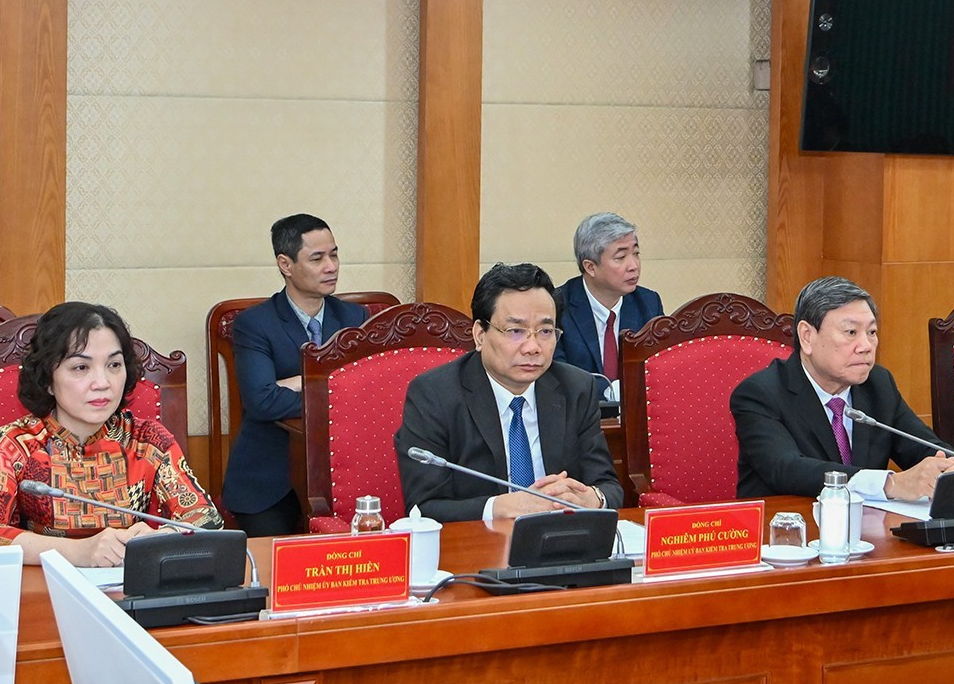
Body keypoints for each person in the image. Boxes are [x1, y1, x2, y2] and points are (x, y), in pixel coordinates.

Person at [0, 302, 221, 566]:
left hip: (128, 592)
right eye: (81, 368)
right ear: (48, 379)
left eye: (114, 365)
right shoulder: (15, 443)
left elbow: (206, 519)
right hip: (46, 590)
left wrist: (162, 537)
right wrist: (79, 552)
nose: (103, 383)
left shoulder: (147, 439)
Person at [394, 263, 622, 522]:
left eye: (546, 331)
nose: (533, 347)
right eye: (516, 331)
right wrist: (500, 508)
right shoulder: (435, 394)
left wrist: (592, 498)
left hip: (559, 544)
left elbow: (609, 486)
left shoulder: (576, 388)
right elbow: (423, 507)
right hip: (476, 549)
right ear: (480, 335)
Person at [731, 276, 954, 499]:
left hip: (866, 534)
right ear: (807, 336)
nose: (865, 346)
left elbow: (922, 447)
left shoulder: (878, 384)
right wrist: (890, 484)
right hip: (788, 531)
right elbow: (786, 469)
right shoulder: (760, 394)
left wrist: (947, 467)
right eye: (851, 332)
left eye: (871, 332)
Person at [222, 214, 371, 536]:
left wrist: (296, 382)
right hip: (268, 481)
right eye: (317, 258)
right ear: (285, 264)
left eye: (334, 254)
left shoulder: (355, 318)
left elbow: (366, 394)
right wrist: (328, 383)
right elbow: (261, 400)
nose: (331, 266)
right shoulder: (256, 324)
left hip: (339, 475)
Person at [554, 212, 665, 399]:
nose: (634, 266)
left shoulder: (648, 303)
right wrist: (610, 392)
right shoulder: (557, 305)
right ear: (590, 267)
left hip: (635, 420)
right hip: (576, 420)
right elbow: (555, 374)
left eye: (636, 254)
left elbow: (660, 368)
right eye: (621, 257)